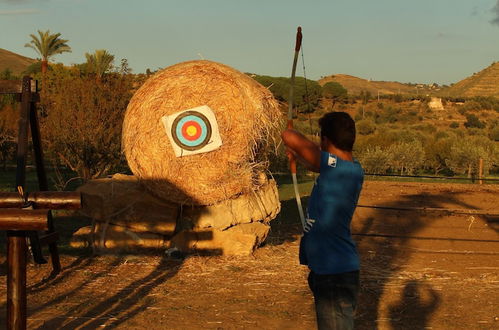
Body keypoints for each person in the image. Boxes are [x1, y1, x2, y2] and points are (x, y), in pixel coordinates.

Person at [281, 111, 364, 330]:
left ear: (325, 140)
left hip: (334, 271)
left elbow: (288, 136)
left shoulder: (340, 169)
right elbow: (317, 165)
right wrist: (297, 158)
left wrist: (290, 136)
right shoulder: (346, 169)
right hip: (330, 269)